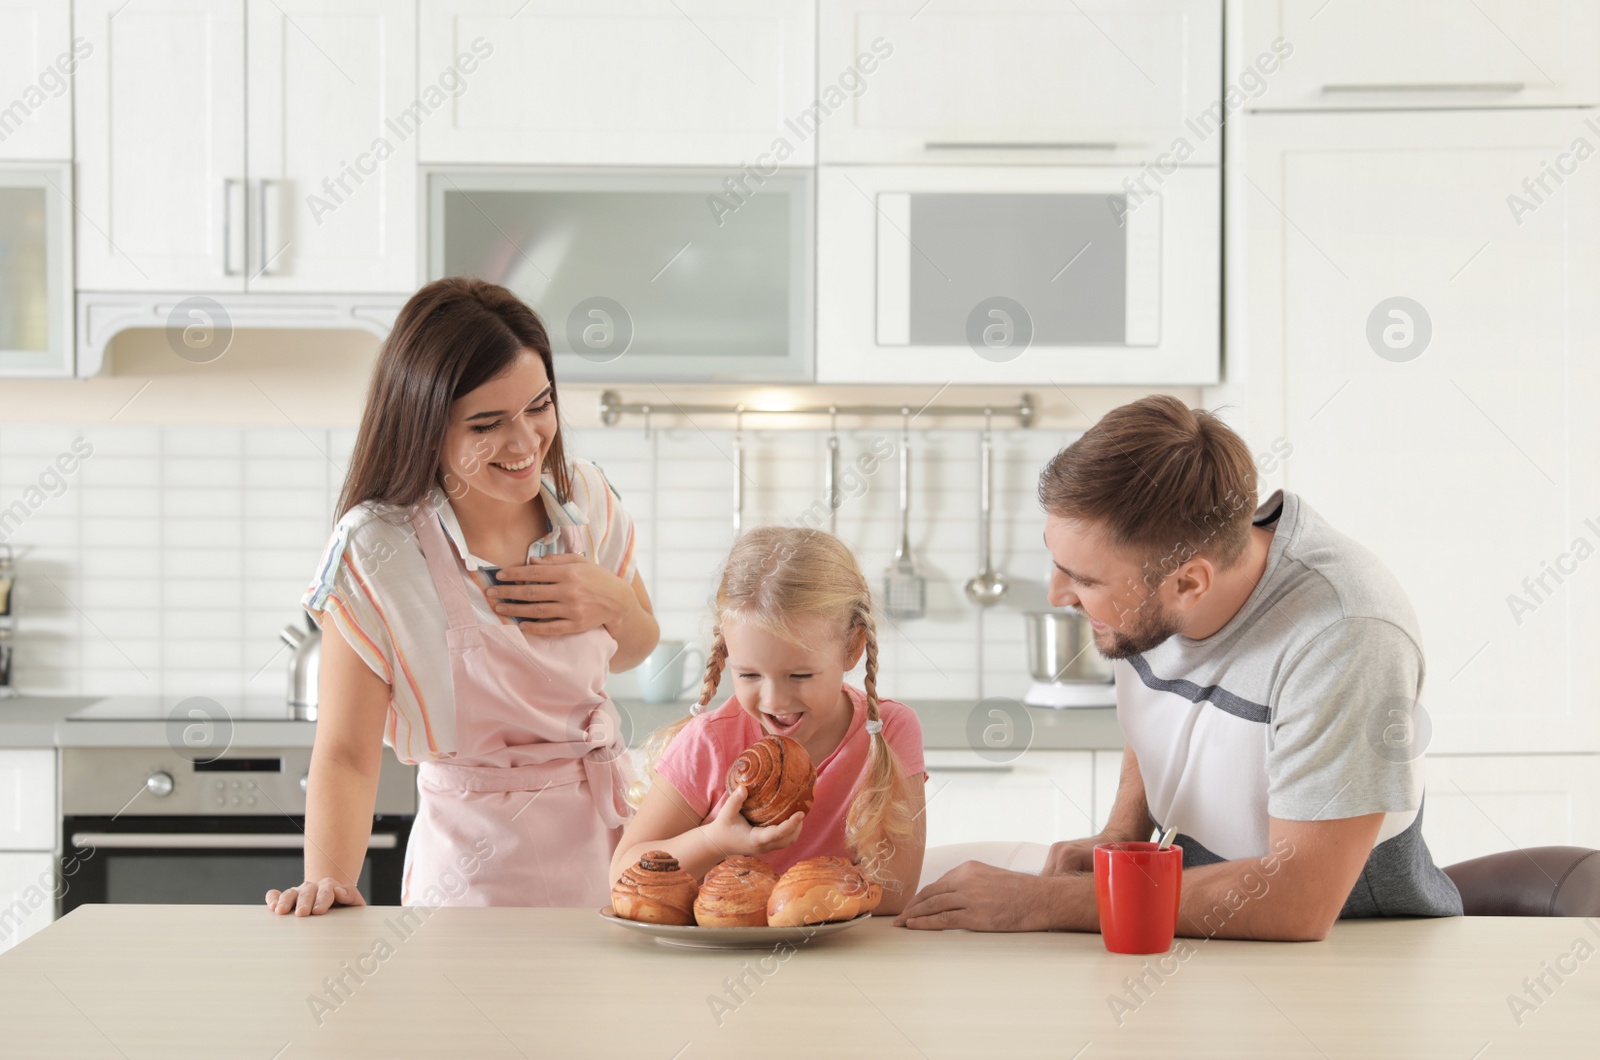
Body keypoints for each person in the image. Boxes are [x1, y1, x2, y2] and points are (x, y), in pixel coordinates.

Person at [897, 395, 1461, 938]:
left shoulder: (1344, 635)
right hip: (1187, 923)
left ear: (1189, 582)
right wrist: (1122, 835)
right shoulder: (1154, 590)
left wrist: (1039, 903)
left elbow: (1300, 898)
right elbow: (1162, 705)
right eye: (1057, 562)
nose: (1056, 595)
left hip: (1352, 950)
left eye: (1085, 580)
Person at [266, 277, 659, 916]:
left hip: (607, 853)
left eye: (540, 406)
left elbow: (635, 648)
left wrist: (612, 601)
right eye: (487, 424)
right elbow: (345, 751)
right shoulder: (379, 549)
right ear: (425, 425)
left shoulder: (584, 500)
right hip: (470, 879)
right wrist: (329, 878)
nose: (527, 441)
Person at [615, 527, 927, 913]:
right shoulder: (711, 742)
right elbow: (621, 876)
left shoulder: (890, 733)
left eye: (800, 676)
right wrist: (716, 841)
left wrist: (790, 904)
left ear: (852, 648)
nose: (775, 701)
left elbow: (895, 892)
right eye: (749, 675)